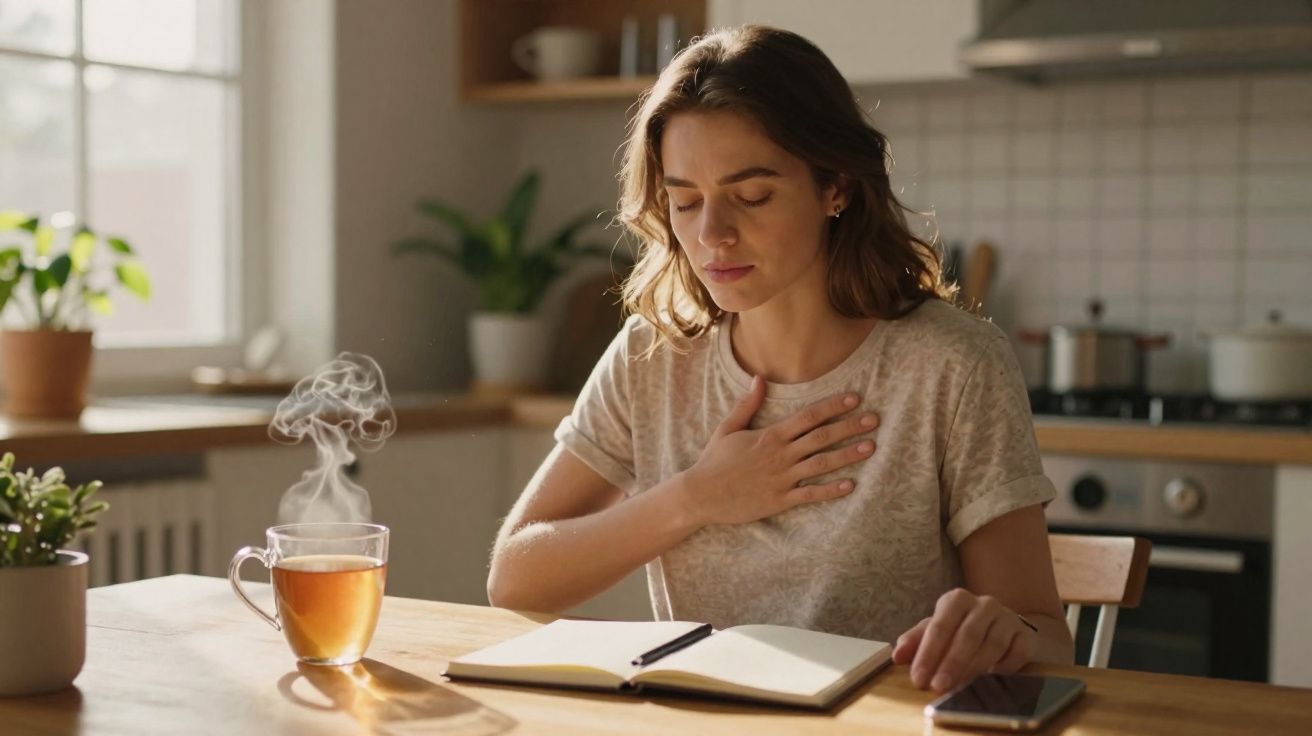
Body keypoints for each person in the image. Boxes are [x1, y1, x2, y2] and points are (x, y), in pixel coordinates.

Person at [487, 25, 1074, 694]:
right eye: (684, 201)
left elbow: (1044, 632)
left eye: (753, 195)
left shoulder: (953, 366)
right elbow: (515, 577)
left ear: (837, 189)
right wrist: (696, 497)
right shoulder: (655, 357)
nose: (711, 234)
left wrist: (1000, 634)